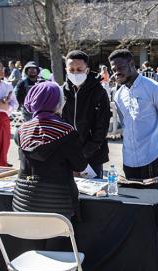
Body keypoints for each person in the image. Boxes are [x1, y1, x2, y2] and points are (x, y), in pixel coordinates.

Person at [12, 81, 87, 271]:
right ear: (56, 102)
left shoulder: (21, 130)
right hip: (57, 201)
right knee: (54, 250)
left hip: (23, 199)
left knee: (37, 244)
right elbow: (80, 165)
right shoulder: (66, 131)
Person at [109, 49, 158, 185]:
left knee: (152, 201)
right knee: (135, 203)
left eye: (120, 68)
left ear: (132, 64)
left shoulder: (154, 88)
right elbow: (125, 125)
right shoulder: (118, 95)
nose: (116, 73)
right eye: (113, 69)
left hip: (152, 156)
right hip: (128, 158)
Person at [62, 50, 111, 179]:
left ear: (87, 70)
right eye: (71, 69)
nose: (75, 73)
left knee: (92, 194)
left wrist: (84, 153)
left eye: (79, 69)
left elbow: (102, 127)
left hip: (92, 155)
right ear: (66, 69)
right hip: (66, 155)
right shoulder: (62, 91)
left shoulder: (99, 92)